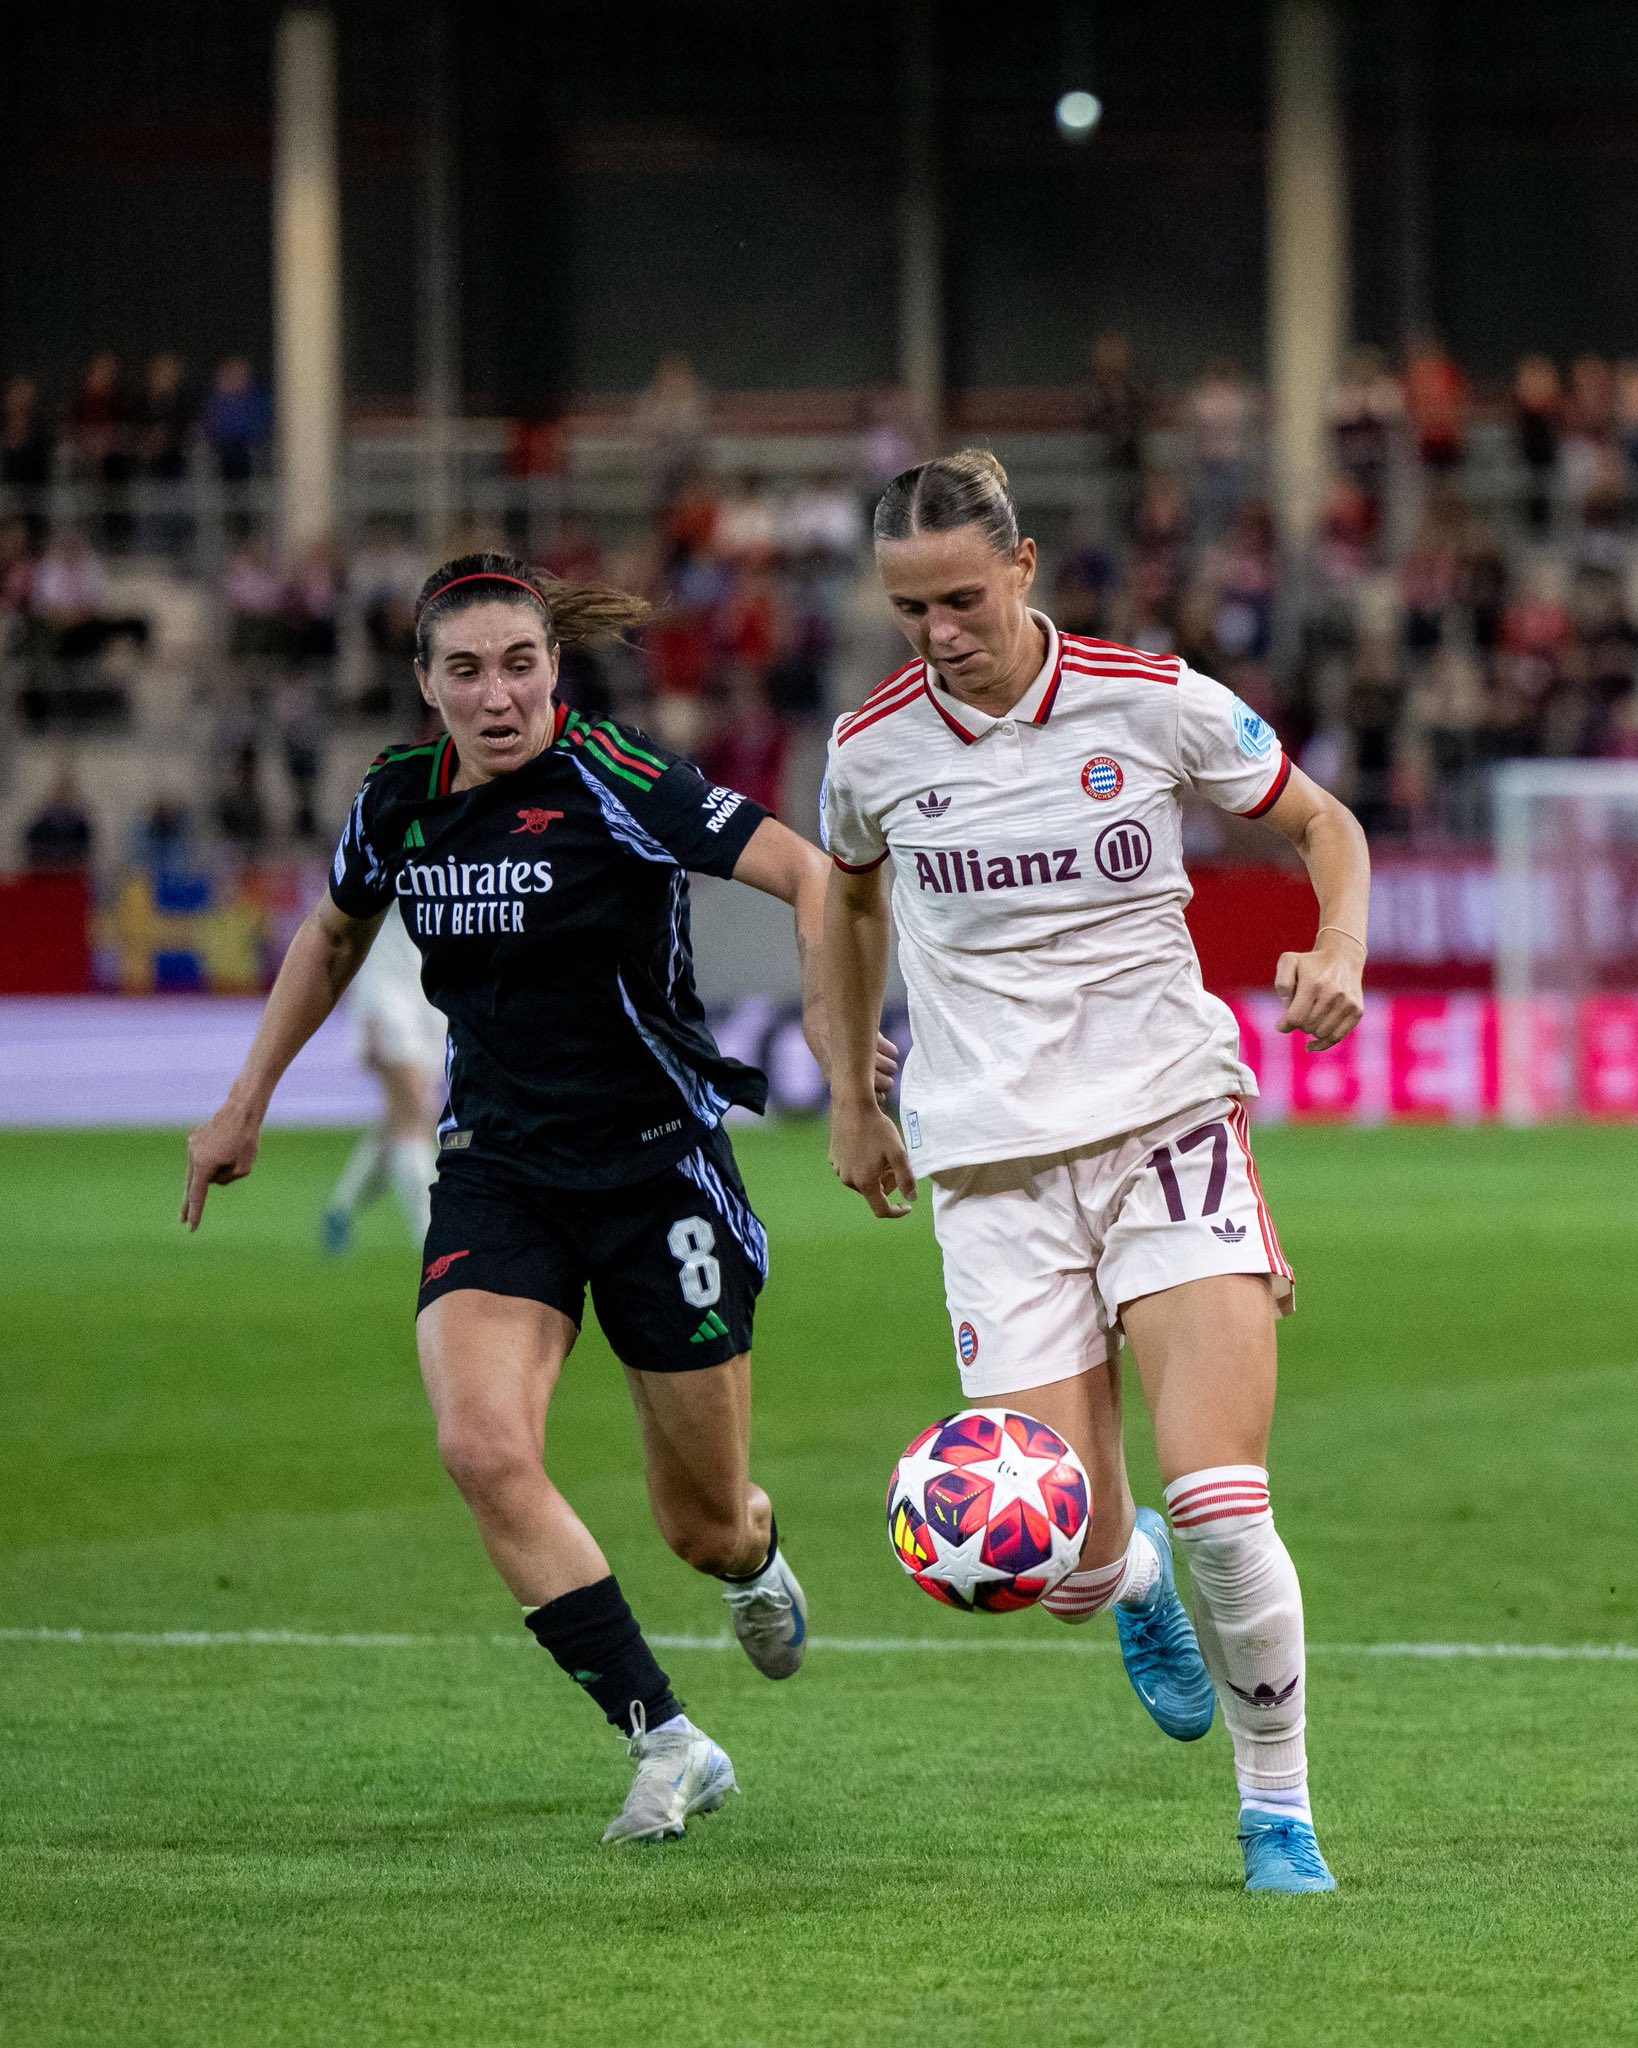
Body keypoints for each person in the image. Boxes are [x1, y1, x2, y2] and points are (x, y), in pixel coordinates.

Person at [183, 551, 895, 1847]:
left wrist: (835, 1031)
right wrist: (246, 1099)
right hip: (498, 1170)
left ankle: (753, 1549)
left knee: (698, 1523)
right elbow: (335, 929)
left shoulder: (617, 779)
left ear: (553, 670)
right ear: (424, 685)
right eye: (466, 671)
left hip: (655, 1169)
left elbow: (804, 871)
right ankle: (667, 1741)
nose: (497, 695)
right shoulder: (398, 801)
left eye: (520, 665)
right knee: (480, 1447)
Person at [820, 451, 1369, 1896]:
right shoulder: (868, 752)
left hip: (1165, 1129)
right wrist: (849, 1091)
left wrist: (1339, 947)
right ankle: (1119, 1591)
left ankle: (1277, 1815)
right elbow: (849, 905)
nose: (937, 631)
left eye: (957, 597)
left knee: (1222, 1505)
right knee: (1058, 1564)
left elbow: (1324, 823)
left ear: (1021, 566)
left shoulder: (1152, 698)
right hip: (992, 1171)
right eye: (905, 608)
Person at [321, 904, 445, 1250]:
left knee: (403, 1118)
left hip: (429, 1001)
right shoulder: (385, 857)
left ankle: (340, 1208)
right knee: (412, 1116)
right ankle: (431, 1235)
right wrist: (368, 1009)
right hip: (386, 1001)